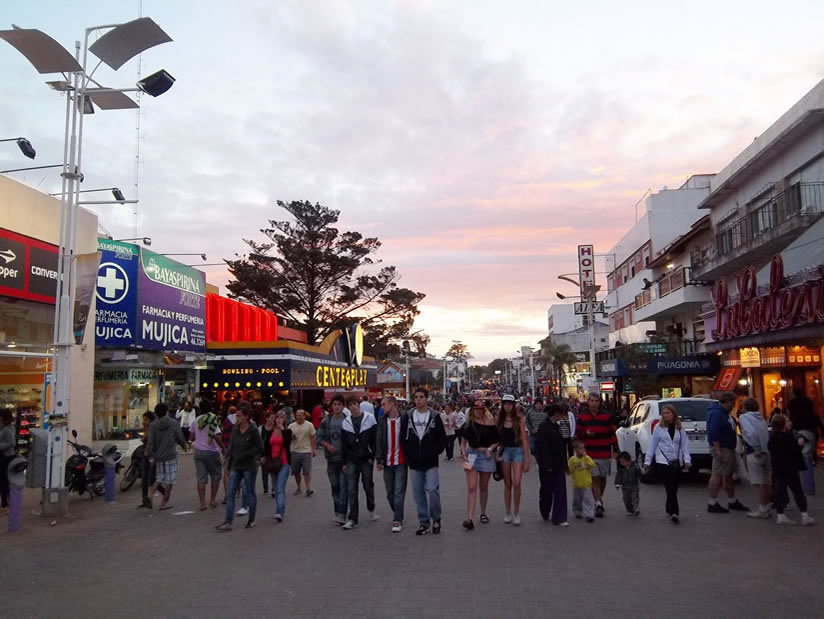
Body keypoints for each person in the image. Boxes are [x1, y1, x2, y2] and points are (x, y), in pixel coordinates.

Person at [400, 388, 447, 536]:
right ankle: (423, 522)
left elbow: (442, 438)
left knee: (432, 490)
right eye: (416, 397)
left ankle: (436, 518)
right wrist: (409, 454)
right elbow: (403, 437)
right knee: (418, 494)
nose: (418, 400)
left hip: (431, 461)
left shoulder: (434, 416)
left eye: (421, 397)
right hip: (414, 462)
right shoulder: (408, 416)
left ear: (426, 399)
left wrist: (434, 451)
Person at [217, 406, 263, 531]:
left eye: (239, 416)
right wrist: (226, 456)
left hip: (249, 466)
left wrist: (248, 453)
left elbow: (260, 447)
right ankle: (228, 521)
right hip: (235, 465)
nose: (236, 418)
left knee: (250, 492)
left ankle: (251, 519)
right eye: (236, 415)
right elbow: (231, 445)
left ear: (246, 417)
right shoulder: (235, 430)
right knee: (230, 493)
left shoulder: (253, 430)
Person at [645, 404, 691, 523]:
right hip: (663, 461)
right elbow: (652, 445)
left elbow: (685, 446)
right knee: (669, 485)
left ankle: (669, 504)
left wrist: (687, 460)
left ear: (673, 414)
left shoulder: (680, 429)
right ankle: (674, 512)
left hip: (676, 461)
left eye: (668, 413)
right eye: (664, 413)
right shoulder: (658, 428)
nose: (665, 415)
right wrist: (647, 461)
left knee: (674, 487)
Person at [460, 398, 500, 530]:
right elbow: (463, 441)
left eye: (480, 409)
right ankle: (469, 518)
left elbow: (497, 440)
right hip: (472, 455)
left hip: (486, 456)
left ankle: (483, 513)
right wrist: (463, 454)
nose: (478, 411)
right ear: (472, 410)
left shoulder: (490, 422)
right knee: (471, 487)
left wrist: (490, 449)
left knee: (483, 486)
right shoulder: (468, 424)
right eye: (476, 409)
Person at [575, 392, 618, 518]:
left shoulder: (606, 416)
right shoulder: (582, 417)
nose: (594, 403)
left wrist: (615, 449)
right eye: (592, 401)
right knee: (594, 478)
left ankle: (599, 499)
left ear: (599, 402)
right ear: (588, 402)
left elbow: (612, 434)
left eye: (596, 401)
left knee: (602, 478)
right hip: (590, 453)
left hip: (604, 452)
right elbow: (577, 435)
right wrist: (585, 434)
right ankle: (598, 503)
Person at [706, 392, 748, 514]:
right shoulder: (717, 414)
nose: (734, 405)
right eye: (733, 403)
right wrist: (718, 449)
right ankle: (712, 502)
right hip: (722, 447)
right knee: (717, 474)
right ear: (728, 401)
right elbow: (714, 431)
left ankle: (732, 500)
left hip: (728, 447)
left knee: (727, 475)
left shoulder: (724, 414)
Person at [769, 414, 815, 526]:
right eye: (788, 421)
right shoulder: (788, 437)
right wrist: (799, 445)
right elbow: (794, 452)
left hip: (778, 469)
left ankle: (781, 514)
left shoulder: (773, 437)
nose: (790, 423)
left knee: (779, 491)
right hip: (790, 469)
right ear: (783, 425)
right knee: (797, 490)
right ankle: (804, 515)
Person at [341, 397, 378, 530]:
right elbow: (343, 444)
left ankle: (371, 507)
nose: (353, 407)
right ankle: (353, 518)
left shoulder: (369, 419)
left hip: (365, 458)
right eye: (350, 405)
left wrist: (373, 456)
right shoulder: (346, 422)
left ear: (359, 405)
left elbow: (374, 439)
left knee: (368, 485)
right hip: (351, 459)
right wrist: (344, 462)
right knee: (352, 489)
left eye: (354, 404)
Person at [146, 403, 187, 511]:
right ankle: (163, 503)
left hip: (158, 456)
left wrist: (150, 454)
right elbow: (179, 437)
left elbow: (150, 442)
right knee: (170, 480)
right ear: (166, 411)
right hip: (170, 455)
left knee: (159, 477)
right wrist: (184, 446)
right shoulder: (173, 423)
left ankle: (150, 494)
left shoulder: (153, 425)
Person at [376, 395, 407, 532]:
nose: (382, 407)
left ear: (393, 404)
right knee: (390, 492)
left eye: (384, 404)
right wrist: (379, 459)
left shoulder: (405, 419)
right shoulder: (382, 421)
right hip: (387, 461)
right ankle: (398, 511)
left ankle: (397, 519)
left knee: (398, 492)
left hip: (401, 461)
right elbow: (379, 441)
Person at [497, 394, 530, 525]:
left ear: (513, 405)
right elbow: (495, 438)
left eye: (510, 404)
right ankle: (508, 512)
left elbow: (524, 439)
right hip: (505, 452)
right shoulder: (499, 420)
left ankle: (516, 512)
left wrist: (527, 459)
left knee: (517, 482)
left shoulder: (520, 420)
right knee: (507, 483)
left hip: (518, 451)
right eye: (505, 404)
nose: (507, 406)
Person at [739, 397, 772, 519]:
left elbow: (750, 432)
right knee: (766, 481)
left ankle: (763, 509)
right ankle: (767, 504)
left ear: (746, 407)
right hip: (766, 451)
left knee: (759, 481)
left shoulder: (744, 418)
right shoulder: (761, 418)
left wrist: (756, 447)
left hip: (754, 452)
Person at [535, 403, 569, 526]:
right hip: (547, 465)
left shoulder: (558, 426)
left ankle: (559, 517)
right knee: (547, 490)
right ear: (556, 413)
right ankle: (545, 510)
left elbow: (564, 444)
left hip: (559, 463)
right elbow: (542, 447)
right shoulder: (544, 427)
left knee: (560, 490)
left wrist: (565, 463)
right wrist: (546, 464)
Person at [317, 395, 349, 524]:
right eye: (335, 404)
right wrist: (327, 445)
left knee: (343, 487)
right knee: (335, 487)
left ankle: (342, 513)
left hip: (344, 459)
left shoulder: (347, 420)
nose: (336, 407)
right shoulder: (326, 421)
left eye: (339, 404)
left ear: (343, 406)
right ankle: (337, 511)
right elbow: (319, 437)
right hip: (331, 460)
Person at [787, 387, 821, 497]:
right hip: (810, 430)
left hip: (798, 430)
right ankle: (809, 488)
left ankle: (802, 488)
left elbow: (789, 415)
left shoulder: (792, 403)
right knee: (808, 458)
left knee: (798, 459)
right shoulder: (808, 402)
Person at [190, 402, 224, 511]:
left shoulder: (196, 421)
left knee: (201, 478)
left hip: (199, 452)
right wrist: (224, 448)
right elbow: (217, 437)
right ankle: (212, 500)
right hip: (212, 452)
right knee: (216, 475)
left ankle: (202, 503)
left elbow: (191, 437)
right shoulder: (212, 420)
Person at [267, 410, 292, 521]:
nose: (278, 419)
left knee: (280, 488)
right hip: (273, 463)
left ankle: (279, 512)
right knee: (276, 489)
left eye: (281, 417)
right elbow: (267, 446)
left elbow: (287, 443)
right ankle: (279, 509)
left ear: (285, 419)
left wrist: (282, 429)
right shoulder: (270, 431)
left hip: (284, 463)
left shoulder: (287, 431)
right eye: (277, 417)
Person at [288, 409, 317, 497]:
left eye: (300, 415)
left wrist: (313, 449)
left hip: (306, 451)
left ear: (304, 416)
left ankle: (308, 488)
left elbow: (313, 437)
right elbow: (287, 437)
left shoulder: (309, 425)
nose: (299, 417)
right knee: (296, 472)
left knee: (306, 471)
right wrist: (290, 437)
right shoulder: (291, 426)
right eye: (297, 415)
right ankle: (298, 487)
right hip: (295, 451)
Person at [568, 439, 596, 522]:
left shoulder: (586, 458)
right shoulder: (572, 459)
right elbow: (570, 470)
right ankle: (577, 512)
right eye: (580, 448)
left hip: (586, 483)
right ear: (575, 450)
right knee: (577, 500)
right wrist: (569, 471)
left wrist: (586, 457)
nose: (583, 450)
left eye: (583, 448)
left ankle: (589, 514)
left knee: (588, 499)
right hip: (577, 484)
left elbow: (592, 464)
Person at [137, 411, 157, 509]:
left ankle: (149, 497)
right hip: (146, 454)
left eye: (146, 420)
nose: (144, 422)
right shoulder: (147, 427)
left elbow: (149, 440)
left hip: (151, 454)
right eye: (143, 420)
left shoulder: (153, 427)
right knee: (145, 477)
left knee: (150, 477)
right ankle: (145, 499)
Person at [614, 451, 641, 517]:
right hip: (625, 487)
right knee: (626, 499)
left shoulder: (634, 467)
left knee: (634, 497)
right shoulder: (621, 469)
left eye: (623, 462)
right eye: (620, 462)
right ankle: (630, 509)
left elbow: (639, 474)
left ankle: (636, 508)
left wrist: (639, 472)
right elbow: (618, 476)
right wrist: (617, 483)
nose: (621, 463)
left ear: (628, 461)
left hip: (634, 485)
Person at [0, 410, 15, 515]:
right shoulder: (5, 428)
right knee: (4, 481)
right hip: (5, 456)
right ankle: (7, 503)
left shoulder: (6, 429)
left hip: (6, 456)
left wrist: (1, 446)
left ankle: (5, 505)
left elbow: (12, 442)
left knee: (4, 481)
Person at [259, 411, 277, 497]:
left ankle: (274, 489)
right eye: (271, 418)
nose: (273, 420)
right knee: (264, 472)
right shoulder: (260, 429)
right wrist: (260, 456)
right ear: (266, 418)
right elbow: (258, 443)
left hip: (274, 453)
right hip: (264, 453)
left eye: (274, 418)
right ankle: (265, 488)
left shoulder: (276, 429)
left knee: (274, 472)